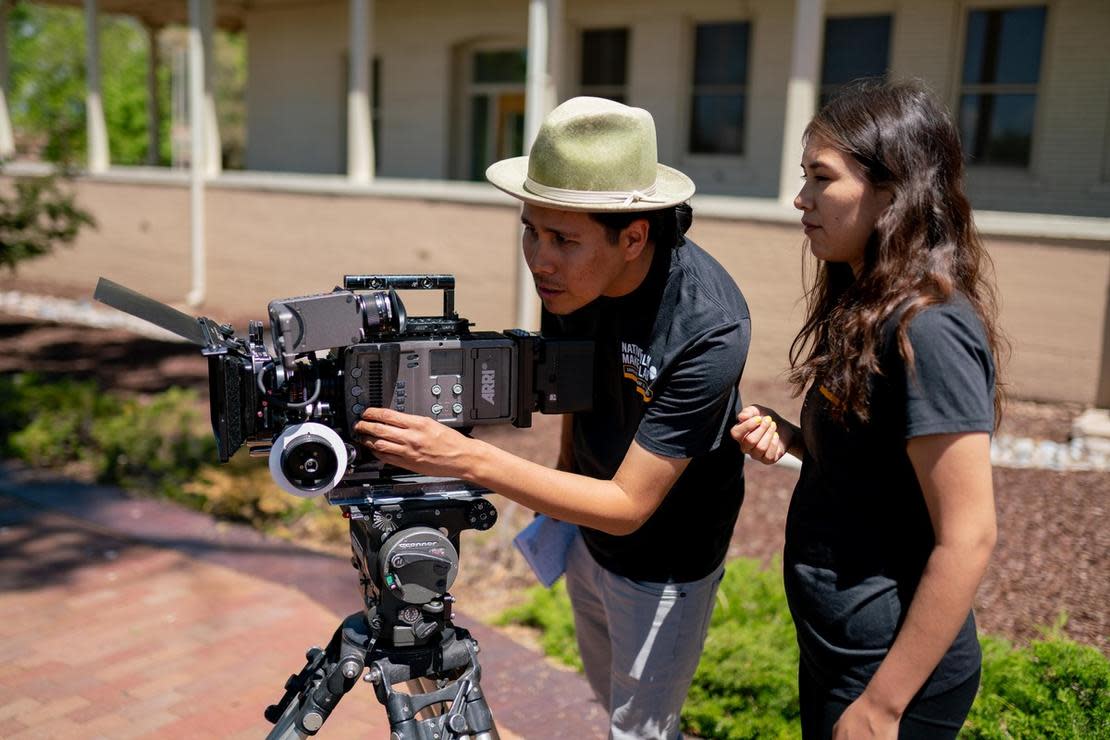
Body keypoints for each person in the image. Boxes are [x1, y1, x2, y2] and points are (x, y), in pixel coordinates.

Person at [356, 96, 751, 739]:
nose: (539, 259)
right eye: (530, 230)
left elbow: (628, 504)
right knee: (608, 699)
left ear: (633, 235)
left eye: (563, 239)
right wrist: (561, 499)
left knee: (640, 730)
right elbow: (580, 392)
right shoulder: (572, 281)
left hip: (664, 560)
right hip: (584, 526)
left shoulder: (708, 327)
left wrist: (465, 459)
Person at [732, 78, 1003, 739]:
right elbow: (876, 468)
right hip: (842, 653)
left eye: (821, 179)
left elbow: (968, 537)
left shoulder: (929, 332)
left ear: (891, 191)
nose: (801, 200)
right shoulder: (864, 305)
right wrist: (795, 438)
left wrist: (883, 707)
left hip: (890, 680)